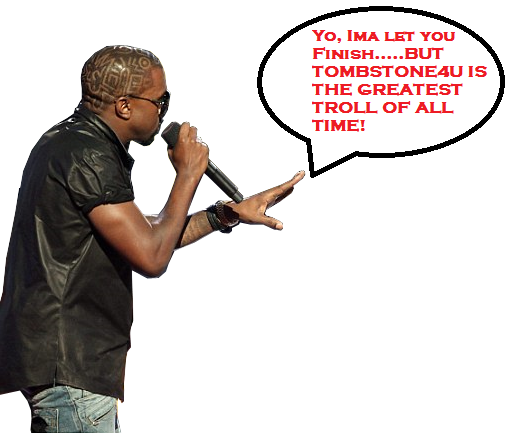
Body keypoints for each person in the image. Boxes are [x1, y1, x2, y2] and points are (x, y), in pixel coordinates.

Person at [0, 45, 304, 433]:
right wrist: (188, 174)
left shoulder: (69, 143)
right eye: (160, 101)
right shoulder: (88, 154)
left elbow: (142, 233)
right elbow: (150, 256)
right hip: (71, 368)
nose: (164, 112)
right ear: (124, 106)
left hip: (65, 367)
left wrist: (223, 215)